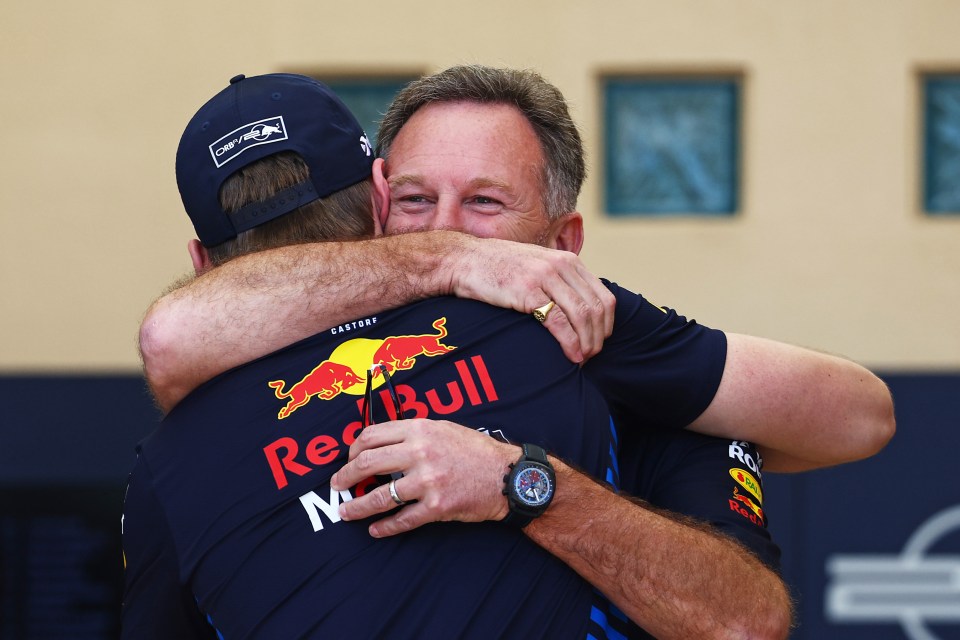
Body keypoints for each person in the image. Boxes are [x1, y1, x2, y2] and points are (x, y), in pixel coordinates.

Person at [127, 69, 893, 637]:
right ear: (383, 203)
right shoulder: (182, 448)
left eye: (485, 204)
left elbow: (857, 423)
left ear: (563, 245)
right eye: (420, 202)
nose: (449, 233)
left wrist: (520, 481)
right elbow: (170, 338)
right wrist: (448, 261)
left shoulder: (567, 325)